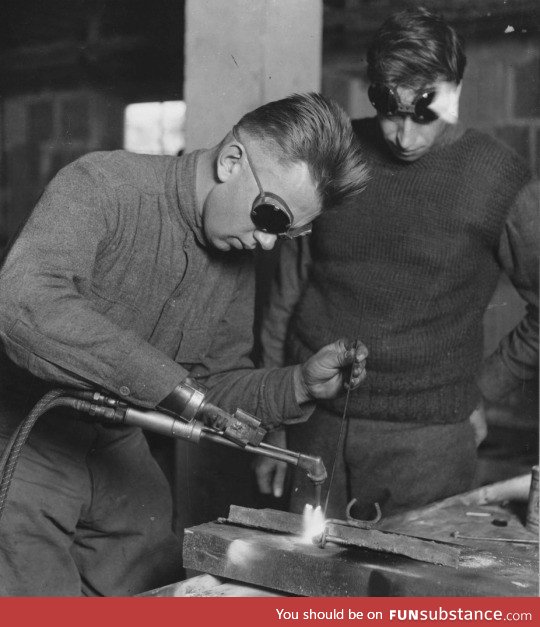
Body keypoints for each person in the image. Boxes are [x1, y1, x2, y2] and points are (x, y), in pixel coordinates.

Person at [0, 93, 369, 596]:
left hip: (115, 445)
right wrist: (171, 385)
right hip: (25, 436)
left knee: (163, 586)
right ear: (231, 161)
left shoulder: (234, 255)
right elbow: (22, 303)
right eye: (272, 218)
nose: (267, 243)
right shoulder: (103, 185)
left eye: (288, 234)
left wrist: (299, 384)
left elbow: (214, 385)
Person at [256, 8, 538, 522]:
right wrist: (274, 414)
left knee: (406, 597)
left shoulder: (500, 180)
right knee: (302, 590)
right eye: (390, 111)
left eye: (424, 114)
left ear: (456, 89)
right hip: (313, 426)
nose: (404, 136)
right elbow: (285, 295)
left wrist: (485, 389)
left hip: (427, 448)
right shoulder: (337, 157)